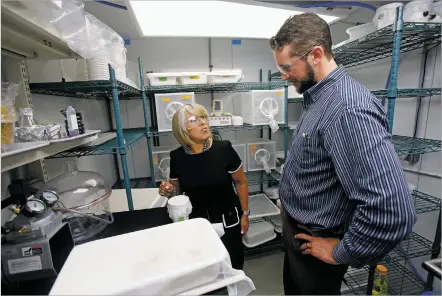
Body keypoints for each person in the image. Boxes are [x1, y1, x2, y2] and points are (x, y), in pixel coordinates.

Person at [270, 13, 417, 295]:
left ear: (315, 54)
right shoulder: (317, 97)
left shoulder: (346, 109)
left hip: (318, 248)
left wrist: (342, 251)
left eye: (287, 67)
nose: (284, 75)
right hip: (299, 235)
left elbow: (392, 210)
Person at [158, 103, 249, 270]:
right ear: (182, 129)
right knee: (205, 267)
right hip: (197, 224)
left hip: (228, 221)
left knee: (232, 264)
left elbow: (241, 182)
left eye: (203, 117)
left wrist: (245, 213)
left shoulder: (224, 149)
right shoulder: (177, 157)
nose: (203, 123)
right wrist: (169, 190)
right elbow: (177, 190)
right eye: (193, 119)